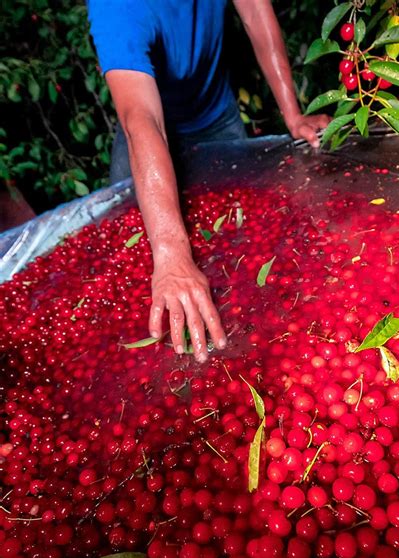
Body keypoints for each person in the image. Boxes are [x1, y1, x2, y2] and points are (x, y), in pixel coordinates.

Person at [88, 1, 329, 362]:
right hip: (151, 130)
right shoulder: (117, 8)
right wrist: (171, 252)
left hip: (217, 115)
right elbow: (142, 121)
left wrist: (292, 115)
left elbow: (255, 13)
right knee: (131, 262)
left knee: (244, 242)